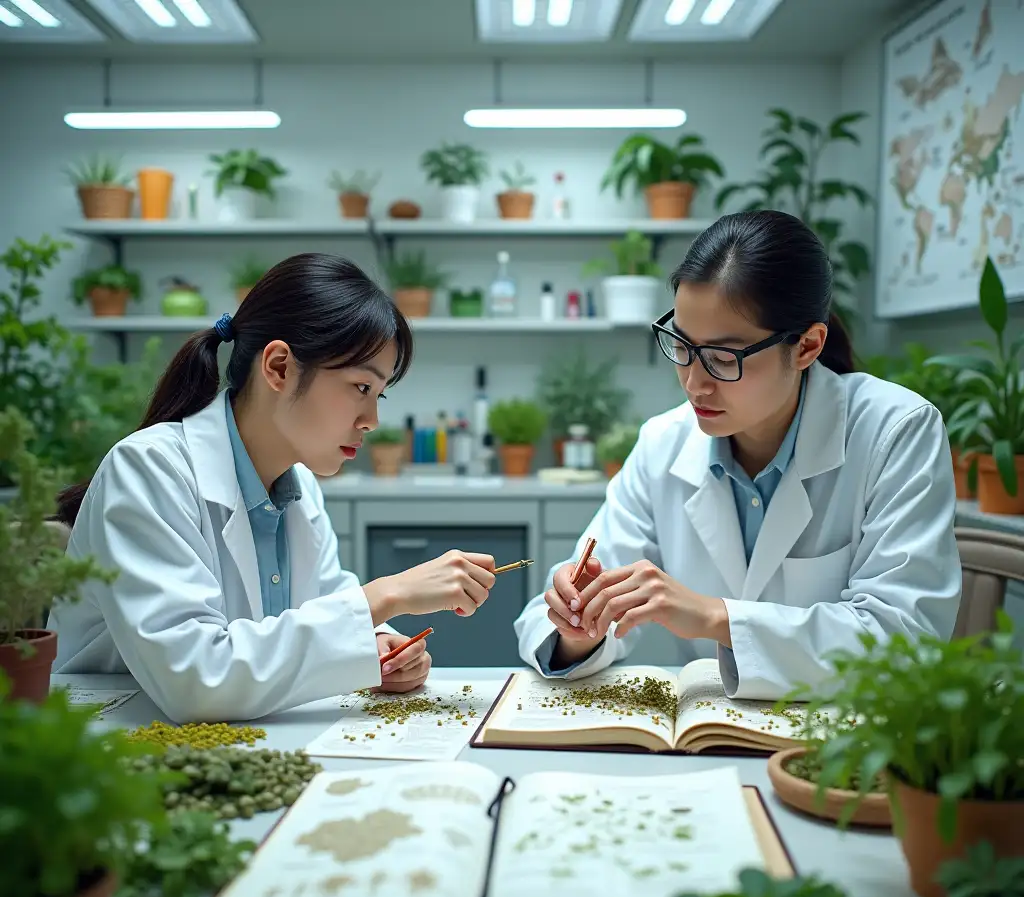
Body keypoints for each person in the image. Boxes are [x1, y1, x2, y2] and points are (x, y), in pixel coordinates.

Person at [514, 210, 962, 699]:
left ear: (808, 345)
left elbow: (904, 639)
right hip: (709, 737)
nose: (694, 382)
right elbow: (553, 613)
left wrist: (716, 617)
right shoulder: (663, 443)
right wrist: (578, 630)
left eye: (725, 358)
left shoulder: (893, 431)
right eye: (682, 345)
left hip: (841, 740)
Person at [50, 253, 496, 722]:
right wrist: (387, 594)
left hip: (242, 738)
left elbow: (322, 608)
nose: (372, 421)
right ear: (280, 367)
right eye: (361, 388)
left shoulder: (296, 483)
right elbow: (196, 680)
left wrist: (379, 646)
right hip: (110, 750)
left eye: (378, 394)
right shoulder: (148, 469)